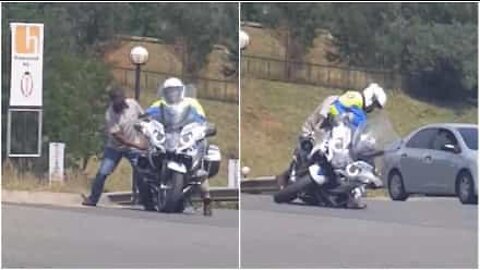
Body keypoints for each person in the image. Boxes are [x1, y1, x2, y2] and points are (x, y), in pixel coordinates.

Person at [277, 83, 387, 208]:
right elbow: (334, 110)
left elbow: (361, 133)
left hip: (342, 143)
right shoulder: (352, 98)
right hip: (324, 131)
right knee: (309, 145)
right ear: (371, 98)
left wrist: (371, 145)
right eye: (375, 105)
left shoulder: (361, 114)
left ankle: (345, 193)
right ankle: (293, 170)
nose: (373, 108)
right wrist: (337, 118)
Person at [141, 77, 213, 216]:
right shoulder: (160, 103)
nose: (172, 94)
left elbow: (201, 119)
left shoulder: (192, 103)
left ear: (182, 91)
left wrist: (203, 127)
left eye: (175, 91)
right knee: (145, 155)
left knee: (200, 168)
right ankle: (148, 189)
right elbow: (148, 114)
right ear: (164, 92)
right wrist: (144, 121)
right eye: (169, 91)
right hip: (168, 134)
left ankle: (207, 199)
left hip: (185, 136)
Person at [82, 87, 147, 207]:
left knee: (142, 172)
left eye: (121, 99)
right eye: (116, 100)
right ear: (112, 101)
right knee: (103, 172)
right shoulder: (110, 114)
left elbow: (144, 118)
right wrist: (137, 145)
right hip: (115, 148)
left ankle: (145, 199)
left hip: (134, 147)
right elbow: (118, 137)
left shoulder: (133, 104)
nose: (119, 102)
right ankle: (93, 199)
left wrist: (144, 138)